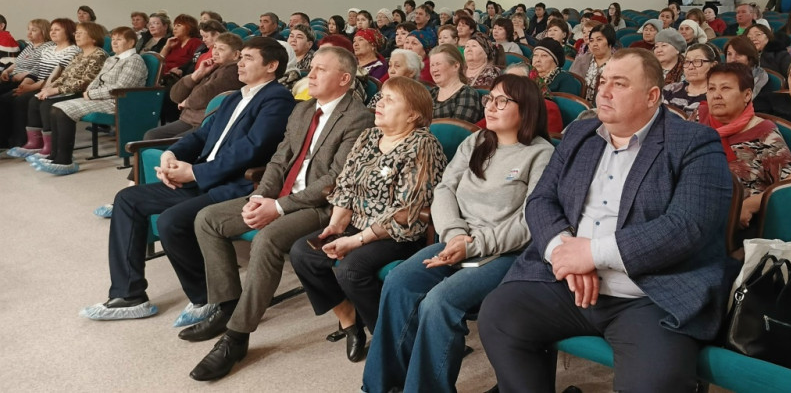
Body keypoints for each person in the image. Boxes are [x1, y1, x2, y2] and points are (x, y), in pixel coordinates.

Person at [478, 49, 732, 392]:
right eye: (602, 81)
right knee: (499, 315)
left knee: (654, 383)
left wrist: (593, 254)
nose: (604, 91)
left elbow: (688, 226)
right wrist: (564, 254)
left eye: (620, 84)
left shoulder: (695, 143)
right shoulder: (580, 135)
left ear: (652, 96)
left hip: (649, 293)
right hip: (567, 285)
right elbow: (540, 201)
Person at [184, 47, 375, 381]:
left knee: (268, 239)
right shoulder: (302, 110)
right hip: (280, 195)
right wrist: (261, 196)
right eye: (311, 68)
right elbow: (278, 159)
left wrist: (279, 207)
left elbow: (336, 180)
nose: (311, 74)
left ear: (345, 79)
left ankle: (236, 337)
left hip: (321, 207)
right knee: (208, 219)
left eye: (321, 69)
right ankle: (228, 307)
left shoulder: (358, 117)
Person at [79, 37, 296, 321]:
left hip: (234, 185)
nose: (240, 63)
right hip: (204, 177)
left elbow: (252, 148)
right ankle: (129, 295)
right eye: (240, 56)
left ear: (272, 66)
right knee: (128, 199)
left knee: (172, 221)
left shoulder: (277, 99)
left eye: (248, 58)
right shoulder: (234, 97)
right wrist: (172, 154)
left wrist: (194, 172)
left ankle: (206, 297)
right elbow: (201, 134)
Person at [363, 75, 553, 393]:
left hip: (506, 253)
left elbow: (528, 223)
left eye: (502, 101)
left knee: (439, 302)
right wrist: (454, 234)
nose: (490, 106)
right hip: (458, 239)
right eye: (489, 99)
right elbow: (445, 189)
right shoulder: (477, 141)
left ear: (527, 108)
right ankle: (379, 386)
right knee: (398, 282)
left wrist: (473, 245)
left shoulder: (540, 154)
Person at [288, 77, 447, 364]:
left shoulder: (422, 144)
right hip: (356, 223)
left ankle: (390, 340)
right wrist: (337, 225)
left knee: (351, 270)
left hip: (398, 232)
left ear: (412, 114)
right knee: (303, 253)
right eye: (380, 97)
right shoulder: (369, 136)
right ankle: (350, 320)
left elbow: (406, 209)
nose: (379, 103)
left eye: (390, 100)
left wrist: (356, 240)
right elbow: (346, 184)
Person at [25, 27, 146, 174]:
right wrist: (88, 92)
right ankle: (54, 156)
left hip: (118, 102)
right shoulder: (112, 58)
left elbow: (121, 88)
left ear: (131, 42)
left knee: (64, 111)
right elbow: (96, 80)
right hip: (100, 98)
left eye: (119, 39)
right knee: (56, 107)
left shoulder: (134, 60)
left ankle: (65, 161)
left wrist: (91, 95)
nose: (114, 42)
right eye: (113, 39)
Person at [698, 63, 791, 231]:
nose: (716, 95)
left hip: (735, 220)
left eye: (725, 88)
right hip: (692, 207)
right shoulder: (698, 119)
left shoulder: (763, 132)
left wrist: (749, 205)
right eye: (711, 88)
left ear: (747, 95)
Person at [7, 22, 108, 160]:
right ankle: (36, 143)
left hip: (81, 92)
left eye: (81, 33)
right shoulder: (80, 55)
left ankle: (50, 147)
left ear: (94, 38)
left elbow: (85, 82)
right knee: (35, 100)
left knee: (47, 104)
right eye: (76, 33)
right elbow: (64, 76)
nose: (76, 36)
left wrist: (56, 90)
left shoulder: (98, 55)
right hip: (66, 89)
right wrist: (49, 88)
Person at [143, 33, 244, 140]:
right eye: (215, 47)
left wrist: (187, 102)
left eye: (221, 49)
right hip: (188, 119)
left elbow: (204, 96)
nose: (215, 52)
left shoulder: (233, 71)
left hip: (205, 122)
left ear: (236, 55)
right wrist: (197, 74)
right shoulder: (213, 67)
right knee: (152, 135)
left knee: (175, 141)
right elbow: (175, 96)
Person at [0, 18, 79, 149]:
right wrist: (25, 84)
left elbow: (55, 76)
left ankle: (20, 140)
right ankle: (9, 139)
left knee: (18, 100)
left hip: (52, 86)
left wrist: (30, 87)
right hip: (37, 83)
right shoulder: (49, 49)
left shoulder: (73, 51)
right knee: (7, 99)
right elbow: (37, 69)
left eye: (57, 30)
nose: (52, 32)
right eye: (52, 29)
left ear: (69, 32)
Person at [428, 44, 484, 123]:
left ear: (456, 66)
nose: (434, 70)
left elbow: (456, 129)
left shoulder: (467, 93)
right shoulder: (429, 94)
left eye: (438, 64)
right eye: (432, 65)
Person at [661, 43, 720, 116]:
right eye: (687, 62)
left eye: (697, 61)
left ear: (713, 65)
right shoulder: (670, 90)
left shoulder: (717, 96)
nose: (690, 67)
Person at [0, 19, 51, 97]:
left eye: (33, 30)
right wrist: (6, 71)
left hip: (26, 80)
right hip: (12, 77)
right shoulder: (30, 45)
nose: (29, 32)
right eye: (28, 29)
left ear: (44, 32)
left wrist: (24, 74)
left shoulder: (48, 47)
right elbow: (17, 62)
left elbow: (41, 67)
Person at [570, 23, 616, 104]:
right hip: (579, 105)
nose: (594, 44)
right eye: (591, 41)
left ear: (610, 42)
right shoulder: (580, 60)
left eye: (599, 40)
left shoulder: (618, 65)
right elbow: (570, 86)